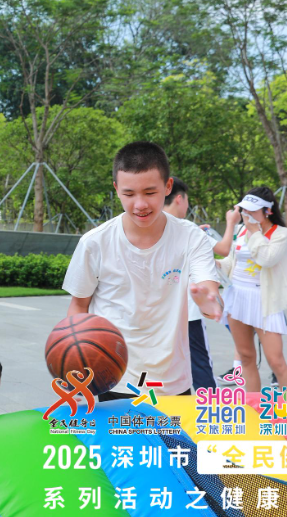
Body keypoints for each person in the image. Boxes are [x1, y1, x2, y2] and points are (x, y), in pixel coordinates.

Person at [63, 142, 223, 401]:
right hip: (113, 377)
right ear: (116, 189)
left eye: (150, 192)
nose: (140, 204)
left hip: (172, 382)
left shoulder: (191, 237)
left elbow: (210, 294)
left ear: (167, 187)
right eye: (129, 194)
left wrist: (209, 304)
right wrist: (74, 364)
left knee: (176, 432)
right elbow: (79, 306)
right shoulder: (95, 242)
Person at [214, 188, 287, 392]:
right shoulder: (241, 230)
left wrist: (255, 232)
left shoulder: (281, 234)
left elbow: (267, 259)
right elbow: (232, 261)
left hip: (264, 300)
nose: (246, 214)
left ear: (268, 211)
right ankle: (253, 405)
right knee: (246, 357)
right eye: (244, 210)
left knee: (276, 361)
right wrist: (217, 264)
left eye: (252, 210)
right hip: (237, 296)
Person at [162, 177, 217, 391]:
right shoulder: (189, 230)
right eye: (187, 200)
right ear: (179, 198)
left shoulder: (151, 228)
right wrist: (231, 223)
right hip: (189, 311)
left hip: (160, 314)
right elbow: (223, 249)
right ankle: (211, 406)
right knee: (199, 364)